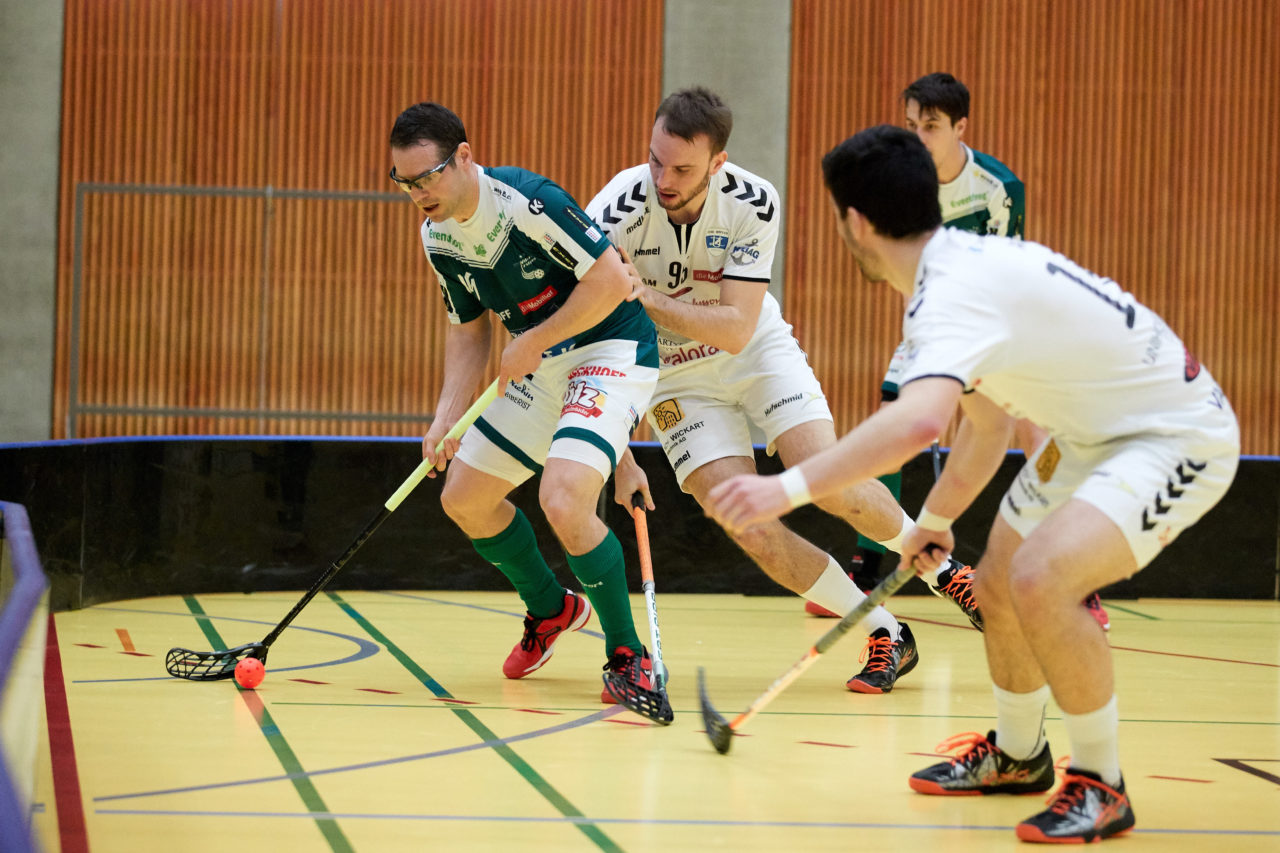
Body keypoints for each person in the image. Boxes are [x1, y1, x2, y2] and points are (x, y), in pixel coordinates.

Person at [706, 124, 1239, 843]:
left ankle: (1102, 782)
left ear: (855, 223)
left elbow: (921, 421)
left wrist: (786, 488)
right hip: (1092, 437)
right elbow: (985, 424)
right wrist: (933, 519)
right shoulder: (958, 267)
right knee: (996, 582)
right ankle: (1019, 755)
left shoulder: (949, 295)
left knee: (1041, 578)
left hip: (1173, 436)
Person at [587, 87, 974, 694]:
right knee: (749, 526)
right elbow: (593, 339)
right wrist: (619, 454)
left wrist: (646, 297)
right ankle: (884, 631)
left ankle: (945, 571)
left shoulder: (753, 200)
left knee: (827, 476)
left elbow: (736, 328)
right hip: (677, 380)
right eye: (655, 160)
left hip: (754, 352)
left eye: (682, 169)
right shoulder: (614, 211)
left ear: (717, 163)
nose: (663, 179)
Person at [388, 102, 665, 716]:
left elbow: (612, 281)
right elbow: (468, 330)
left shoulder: (528, 202)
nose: (417, 194)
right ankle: (551, 607)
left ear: (463, 157)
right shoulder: (436, 236)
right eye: (403, 183)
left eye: (426, 177)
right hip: (540, 362)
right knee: (464, 498)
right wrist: (445, 417)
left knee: (562, 498)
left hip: (610, 348)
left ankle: (628, 654)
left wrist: (536, 339)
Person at [842, 71, 1033, 607]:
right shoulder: (903, 186)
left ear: (960, 127)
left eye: (930, 126)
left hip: (989, 332)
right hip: (930, 327)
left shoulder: (998, 188)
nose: (918, 137)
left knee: (1026, 433)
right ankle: (866, 571)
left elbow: (1008, 273)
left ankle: (1065, 576)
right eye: (910, 126)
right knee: (889, 431)